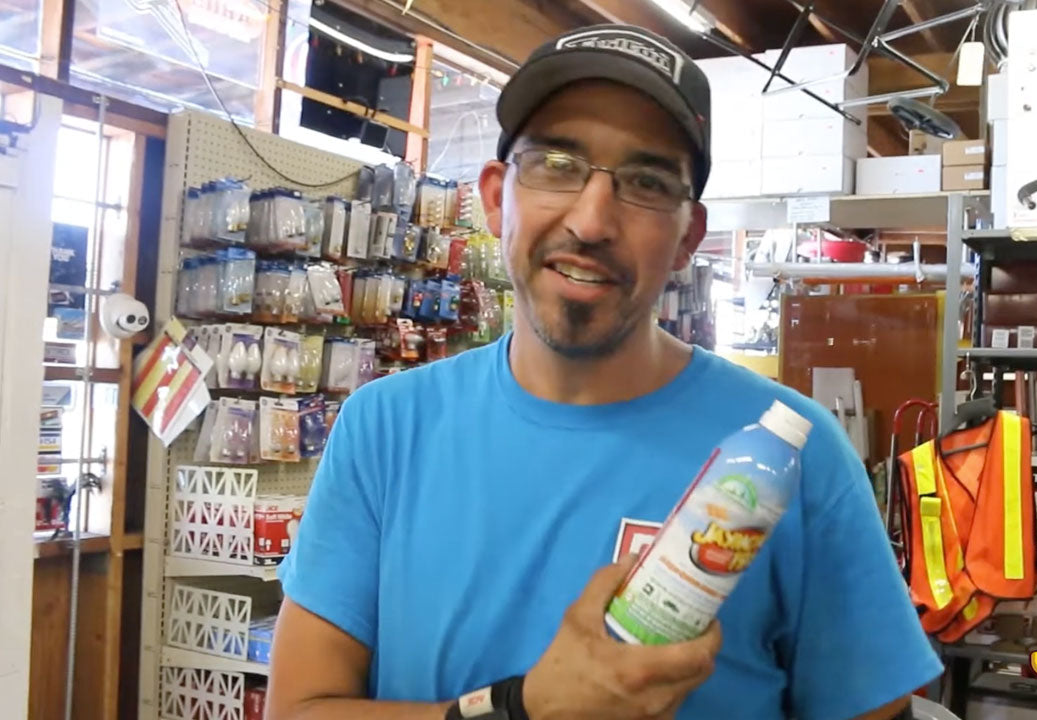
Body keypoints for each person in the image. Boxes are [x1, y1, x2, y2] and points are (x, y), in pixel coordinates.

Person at [267, 22, 942, 720]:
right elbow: (302, 709)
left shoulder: (794, 460)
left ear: (688, 237)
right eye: (557, 164)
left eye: (646, 183)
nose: (591, 221)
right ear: (498, 197)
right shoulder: (385, 428)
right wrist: (518, 710)